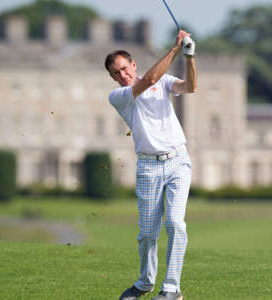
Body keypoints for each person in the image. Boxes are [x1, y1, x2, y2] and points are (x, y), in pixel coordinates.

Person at [105, 30, 197, 300]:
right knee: (147, 234)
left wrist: (189, 56)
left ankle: (172, 288)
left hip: (178, 161)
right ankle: (145, 283)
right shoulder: (119, 96)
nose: (122, 75)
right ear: (112, 78)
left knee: (176, 224)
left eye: (124, 68)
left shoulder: (164, 81)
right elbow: (149, 79)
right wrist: (175, 50)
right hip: (148, 167)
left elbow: (190, 87)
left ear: (133, 64)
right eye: (116, 73)